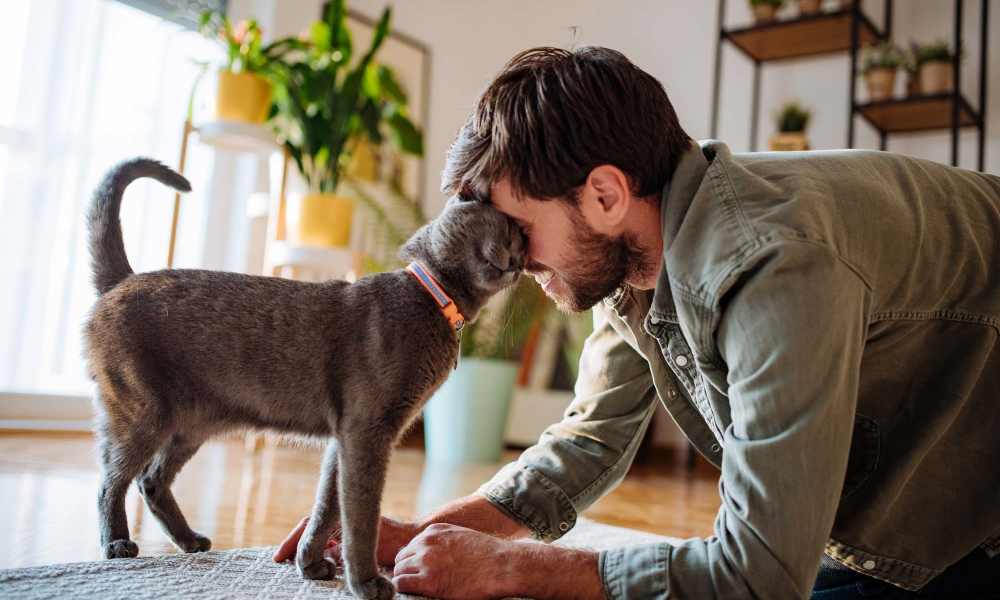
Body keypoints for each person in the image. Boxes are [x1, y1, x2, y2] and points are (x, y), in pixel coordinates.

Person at [274, 46, 1000, 599]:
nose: (512, 259)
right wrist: (438, 531)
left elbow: (758, 576)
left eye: (520, 227)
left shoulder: (773, 266)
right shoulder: (641, 253)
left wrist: (515, 569)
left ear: (605, 192)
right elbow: (591, 438)